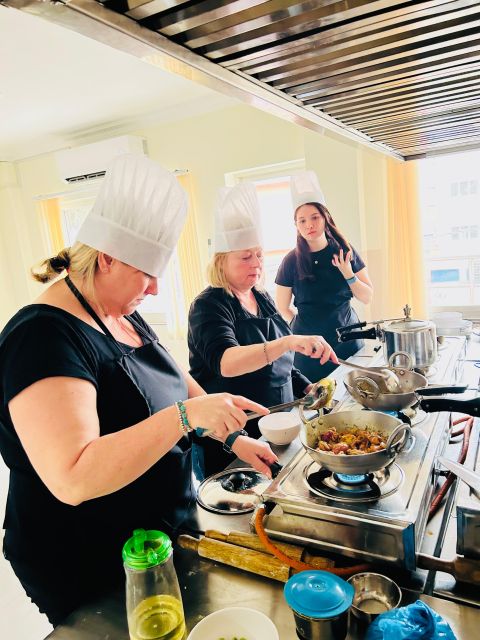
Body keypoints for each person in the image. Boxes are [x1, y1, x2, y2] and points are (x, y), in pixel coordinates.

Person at [0, 154, 277, 626]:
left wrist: (232, 435)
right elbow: (74, 477)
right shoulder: (42, 336)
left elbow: (173, 382)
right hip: (88, 558)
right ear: (107, 258)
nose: (153, 290)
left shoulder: (119, 311)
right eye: (147, 274)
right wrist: (186, 419)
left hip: (159, 531)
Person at [188, 182, 337, 477]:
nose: (256, 264)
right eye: (245, 257)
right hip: (233, 435)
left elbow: (282, 362)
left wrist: (306, 386)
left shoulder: (260, 295)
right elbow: (226, 362)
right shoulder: (209, 305)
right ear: (221, 261)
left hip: (278, 424)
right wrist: (288, 342)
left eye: (259, 255)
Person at [275, 171, 373, 380]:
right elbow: (282, 307)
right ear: (296, 226)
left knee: (353, 396)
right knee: (315, 401)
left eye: (314, 217)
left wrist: (348, 274)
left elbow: (367, 296)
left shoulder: (344, 251)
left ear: (326, 218)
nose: (308, 225)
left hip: (348, 340)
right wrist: (303, 330)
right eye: (302, 221)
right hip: (309, 349)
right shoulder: (291, 260)